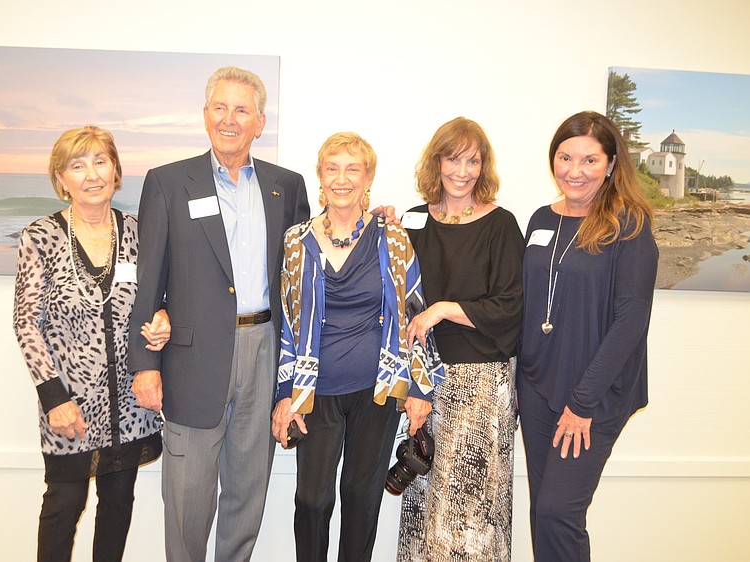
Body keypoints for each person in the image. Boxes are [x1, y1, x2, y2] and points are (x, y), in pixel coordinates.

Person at [127, 66, 310, 562]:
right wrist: (145, 362)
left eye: (242, 110)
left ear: (260, 122)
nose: (230, 119)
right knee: (187, 500)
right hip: (192, 358)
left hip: (265, 350)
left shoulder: (286, 186)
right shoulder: (167, 183)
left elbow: (305, 276)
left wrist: (375, 222)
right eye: (220, 108)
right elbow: (150, 280)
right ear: (205, 115)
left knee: (246, 495)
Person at [271, 132, 445, 562]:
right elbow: (289, 324)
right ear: (320, 176)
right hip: (316, 390)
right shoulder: (296, 241)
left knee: (360, 497)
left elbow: (414, 313)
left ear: (368, 179)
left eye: (353, 169)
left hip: (378, 388)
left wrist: (421, 389)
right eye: (332, 168)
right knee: (312, 500)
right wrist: (284, 394)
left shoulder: (393, 239)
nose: (342, 178)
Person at [13, 125, 171, 562]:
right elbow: (26, 322)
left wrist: (163, 319)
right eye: (77, 165)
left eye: (100, 161)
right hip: (70, 406)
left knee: (118, 506)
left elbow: (162, 297)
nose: (91, 174)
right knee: (63, 508)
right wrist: (52, 397)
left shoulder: (139, 231)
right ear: (61, 178)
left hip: (130, 404)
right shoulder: (39, 236)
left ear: (115, 170)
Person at [517, 111, 658, 560]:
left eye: (589, 160)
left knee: (558, 512)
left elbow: (632, 320)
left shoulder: (628, 225)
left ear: (612, 164)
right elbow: (523, 299)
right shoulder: (541, 218)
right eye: (564, 157)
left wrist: (582, 402)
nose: (574, 171)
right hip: (537, 385)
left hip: (594, 394)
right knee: (544, 510)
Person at [396, 117, 524, 561]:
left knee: (468, 512)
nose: (463, 170)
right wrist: (379, 222)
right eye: (453, 158)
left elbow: (511, 306)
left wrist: (444, 309)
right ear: (437, 161)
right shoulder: (414, 221)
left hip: (480, 385)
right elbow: (395, 286)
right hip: (423, 381)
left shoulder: (501, 224)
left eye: (473, 160)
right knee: (424, 504)